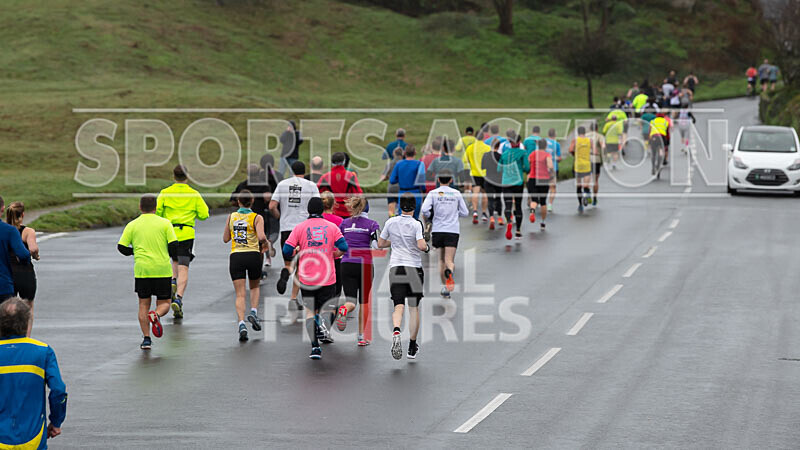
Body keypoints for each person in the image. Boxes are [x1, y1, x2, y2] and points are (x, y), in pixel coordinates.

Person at [282, 197, 348, 360]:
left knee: (310, 310)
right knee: (329, 307)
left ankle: (315, 347)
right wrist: (335, 254)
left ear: (308, 210)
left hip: (307, 278)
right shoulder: (332, 227)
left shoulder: (299, 228)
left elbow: (286, 250)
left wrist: (296, 252)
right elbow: (344, 247)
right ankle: (322, 325)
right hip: (328, 277)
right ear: (321, 210)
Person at [0, 297, 67, 449]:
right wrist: (56, 421)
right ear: (27, 323)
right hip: (33, 438)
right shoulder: (43, 351)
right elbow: (58, 390)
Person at [119, 194, 179, 349]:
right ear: (156, 208)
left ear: (140, 207)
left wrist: (135, 252)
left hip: (142, 270)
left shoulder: (132, 225)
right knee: (165, 302)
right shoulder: (165, 223)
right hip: (162, 269)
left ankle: (146, 339)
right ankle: (156, 315)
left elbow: (122, 247)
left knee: (143, 304)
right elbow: (173, 246)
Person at [378, 193, 429, 360]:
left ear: (400, 206)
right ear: (414, 208)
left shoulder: (391, 222)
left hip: (396, 267)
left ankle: (396, 330)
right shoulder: (416, 224)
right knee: (413, 308)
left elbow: (381, 244)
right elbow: (421, 246)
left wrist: (396, 240)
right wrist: (427, 247)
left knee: (398, 305)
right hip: (413, 268)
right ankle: (412, 346)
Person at [270, 161, 321, 324]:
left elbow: (272, 205)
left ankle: (286, 273)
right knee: (301, 265)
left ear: (292, 171)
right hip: (304, 228)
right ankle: (293, 298)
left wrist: (279, 216)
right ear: (304, 171)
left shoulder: (282, 184)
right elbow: (318, 205)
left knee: (289, 263)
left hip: (286, 228)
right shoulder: (311, 185)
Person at [156, 164, 209, 320]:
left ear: (174, 176)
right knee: (184, 267)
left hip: (170, 232)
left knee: (174, 261)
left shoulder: (165, 193)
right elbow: (204, 214)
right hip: (186, 233)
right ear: (187, 176)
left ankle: (172, 280)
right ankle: (178, 297)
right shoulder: (193, 194)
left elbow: (158, 212)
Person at [223, 190, 268, 342]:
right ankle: (254, 312)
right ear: (252, 201)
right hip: (253, 255)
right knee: (254, 287)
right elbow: (261, 237)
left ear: (238, 201)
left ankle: (241, 323)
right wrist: (266, 243)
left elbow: (225, 239)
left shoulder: (232, 216)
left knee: (240, 294)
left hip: (236, 256)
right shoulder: (257, 217)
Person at [337, 197, 380, 345]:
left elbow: (338, 244)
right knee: (364, 302)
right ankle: (361, 337)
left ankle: (344, 308)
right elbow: (376, 246)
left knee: (351, 300)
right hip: (365, 265)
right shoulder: (372, 224)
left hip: (346, 263)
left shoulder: (344, 223)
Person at [421, 170, 468, 298]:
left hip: (438, 229)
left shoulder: (433, 193)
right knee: (449, 260)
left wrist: (432, 215)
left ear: (438, 180)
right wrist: (455, 213)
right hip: (452, 230)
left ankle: (445, 285)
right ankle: (450, 273)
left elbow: (424, 209)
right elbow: (465, 212)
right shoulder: (456, 193)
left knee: (441, 260)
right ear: (451, 180)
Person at [230, 164, 273, 277]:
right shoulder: (264, 185)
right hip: (258, 218)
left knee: (244, 242)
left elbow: (233, 199)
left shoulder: (242, 186)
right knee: (260, 246)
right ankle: (258, 269)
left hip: (243, 219)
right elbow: (268, 198)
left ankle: (244, 267)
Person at [5, 202, 39, 336]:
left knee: (7, 307)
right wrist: (36, 256)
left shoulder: (5, 230)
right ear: (23, 214)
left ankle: (8, 335)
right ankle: (26, 338)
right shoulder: (28, 232)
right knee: (28, 306)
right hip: (25, 272)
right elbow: (32, 248)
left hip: (8, 272)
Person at [0, 196, 30, 304]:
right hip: (3, 286)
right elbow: (23, 255)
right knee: (6, 319)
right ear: (3, 209)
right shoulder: (10, 231)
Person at [498, 134, 529, 240]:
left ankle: (509, 222)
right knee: (518, 205)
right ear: (519, 142)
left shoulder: (504, 154)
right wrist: (522, 169)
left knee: (507, 205)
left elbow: (499, 169)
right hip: (518, 182)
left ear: (509, 142)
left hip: (506, 182)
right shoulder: (523, 153)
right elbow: (528, 168)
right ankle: (518, 231)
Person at [317, 152, 363, 218]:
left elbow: (318, 193)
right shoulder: (351, 176)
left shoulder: (325, 177)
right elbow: (358, 194)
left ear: (332, 162)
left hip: (331, 212)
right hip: (348, 212)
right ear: (344, 162)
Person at [389, 145, 426, 220]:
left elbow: (392, 180)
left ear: (404, 153)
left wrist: (401, 179)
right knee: (415, 218)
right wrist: (423, 190)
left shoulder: (399, 164)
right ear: (415, 153)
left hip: (403, 192)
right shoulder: (419, 164)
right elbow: (421, 181)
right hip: (415, 192)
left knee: (402, 217)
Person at [464, 125, 492, 224]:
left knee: (475, 192)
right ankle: (484, 213)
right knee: (485, 193)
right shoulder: (487, 148)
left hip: (474, 172)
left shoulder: (470, 148)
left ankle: (475, 211)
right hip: (485, 174)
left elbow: (465, 160)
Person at [321, 191, 344, 303]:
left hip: (319, 256)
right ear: (334, 204)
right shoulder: (339, 221)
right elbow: (344, 242)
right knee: (336, 287)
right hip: (336, 257)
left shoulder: (314, 221)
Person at [527, 139, 554, 230]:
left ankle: (532, 211)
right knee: (543, 202)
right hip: (543, 180)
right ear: (545, 146)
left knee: (534, 200)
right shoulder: (547, 155)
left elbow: (528, 163)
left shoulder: (533, 153)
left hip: (532, 178)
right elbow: (550, 166)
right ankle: (542, 222)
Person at [569, 126, 595, 214]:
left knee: (579, 185)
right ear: (585, 132)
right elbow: (595, 151)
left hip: (578, 165)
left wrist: (574, 154)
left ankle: (580, 204)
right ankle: (587, 194)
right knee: (586, 185)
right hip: (587, 164)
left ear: (578, 132)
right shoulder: (589, 140)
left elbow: (570, 150)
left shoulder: (575, 140)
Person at [481, 139, 504, 229]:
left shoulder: (486, 155)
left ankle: (491, 217)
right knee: (498, 198)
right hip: (498, 180)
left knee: (490, 198)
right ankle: (499, 217)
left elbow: (483, 167)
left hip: (488, 178)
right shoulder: (500, 156)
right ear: (498, 146)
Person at [586, 123, 606, 206]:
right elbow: (603, 146)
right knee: (595, 180)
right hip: (596, 159)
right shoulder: (599, 136)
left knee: (587, 178)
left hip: (586, 159)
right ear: (597, 129)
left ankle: (587, 193)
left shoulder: (585, 136)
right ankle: (594, 198)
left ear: (590, 129)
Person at [382, 147, 404, 217]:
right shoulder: (404, 163)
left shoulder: (390, 164)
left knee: (391, 206)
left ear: (394, 154)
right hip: (402, 187)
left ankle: (391, 220)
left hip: (391, 187)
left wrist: (388, 177)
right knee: (402, 207)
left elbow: (383, 178)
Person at [545, 128, 562, 212]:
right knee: (553, 187)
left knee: (543, 186)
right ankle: (550, 204)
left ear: (548, 135)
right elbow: (559, 158)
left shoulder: (543, 142)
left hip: (543, 167)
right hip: (553, 168)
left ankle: (542, 202)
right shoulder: (557, 144)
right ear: (555, 135)